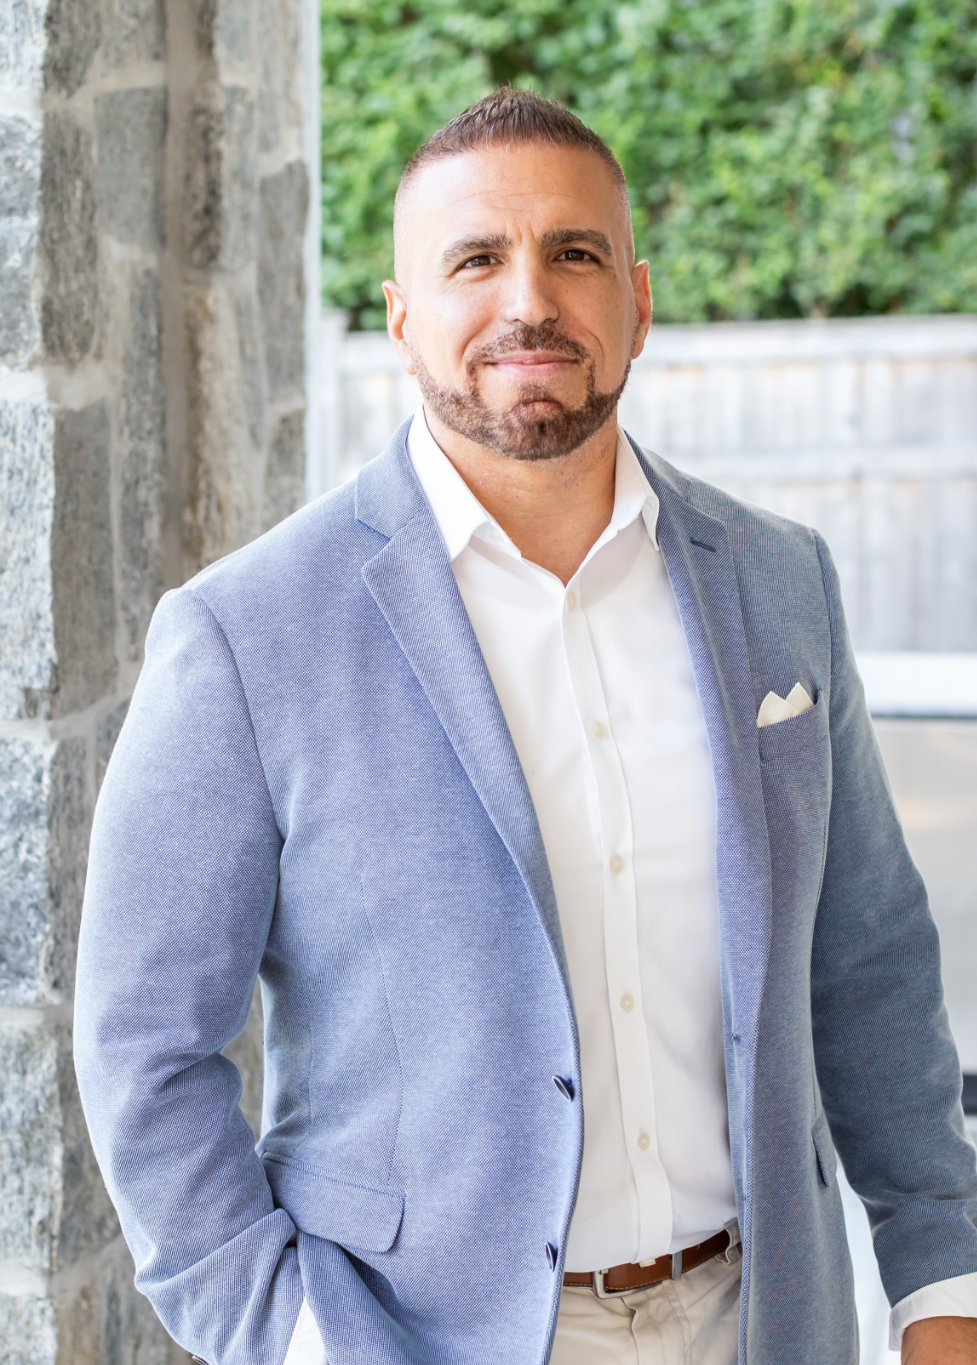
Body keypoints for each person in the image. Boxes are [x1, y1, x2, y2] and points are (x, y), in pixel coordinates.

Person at [74, 89, 977, 1365]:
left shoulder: (779, 586)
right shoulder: (246, 635)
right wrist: (290, 1338)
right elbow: (144, 1050)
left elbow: (870, 966)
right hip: (420, 1338)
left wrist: (941, 1286)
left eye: (573, 253)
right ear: (400, 318)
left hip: (766, 1323)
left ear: (638, 300)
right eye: (474, 259)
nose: (528, 302)